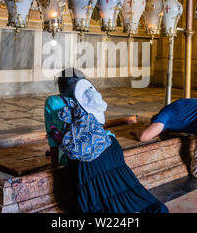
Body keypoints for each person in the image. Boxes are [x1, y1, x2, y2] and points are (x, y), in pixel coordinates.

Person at [44, 68, 168, 213]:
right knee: (128, 196)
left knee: (102, 207)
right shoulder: (91, 97)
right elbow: (98, 127)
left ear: (61, 85)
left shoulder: (52, 101)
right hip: (111, 147)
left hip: (87, 158)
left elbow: (53, 140)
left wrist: (54, 167)